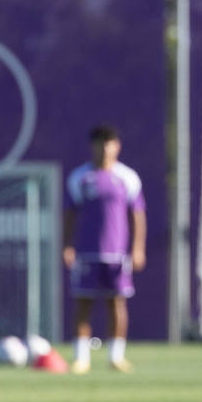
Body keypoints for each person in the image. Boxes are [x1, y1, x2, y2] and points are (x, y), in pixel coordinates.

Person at [63, 125, 147, 373]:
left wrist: (137, 247)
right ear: (93, 146)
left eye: (109, 142)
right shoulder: (80, 178)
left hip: (118, 254)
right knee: (83, 303)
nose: (105, 148)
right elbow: (70, 214)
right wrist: (68, 244)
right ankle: (81, 358)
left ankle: (116, 356)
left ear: (117, 146)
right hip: (87, 252)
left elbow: (137, 214)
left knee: (116, 304)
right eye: (100, 142)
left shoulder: (127, 177)